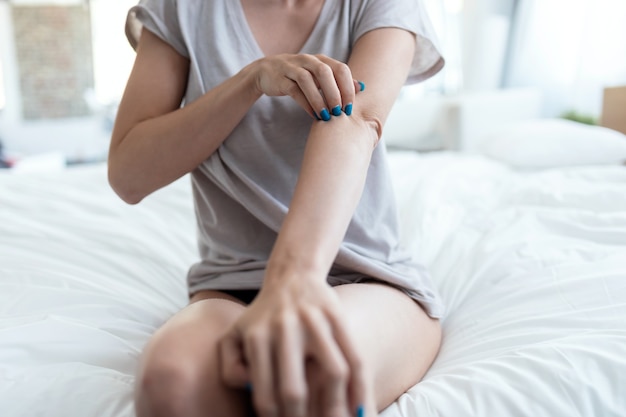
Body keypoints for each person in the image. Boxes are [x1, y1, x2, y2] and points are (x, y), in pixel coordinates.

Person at [109, 1, 446, 416]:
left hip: (364, 279)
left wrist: (294, 279)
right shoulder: (182, 8)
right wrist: (250, 81)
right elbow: (129, 174)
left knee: (311, 372)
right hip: (232, 287)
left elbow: (355, 121)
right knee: (172, 384)